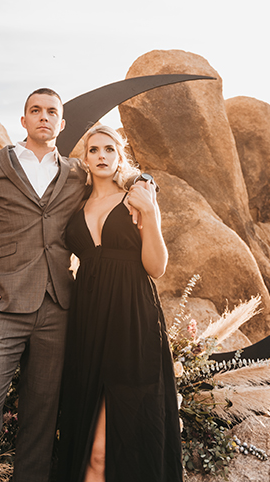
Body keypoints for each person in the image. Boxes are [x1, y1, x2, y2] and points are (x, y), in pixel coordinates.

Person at [0, 88, 87, 482]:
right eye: (35, 110)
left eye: (51, 111)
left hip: (57, 308)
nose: (44, 117)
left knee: (40, 425)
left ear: (62, 122)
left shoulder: (78, 174)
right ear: (23, 120)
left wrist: (141, 181)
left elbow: (114, 184)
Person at [57, 124, 184, 482]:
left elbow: (156, 267)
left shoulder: (136, 198)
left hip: (132, 316)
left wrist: (151, 214)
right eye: (94, 150)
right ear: (85, 158)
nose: (101, 156)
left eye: (109, 149)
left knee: (114, 438)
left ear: (119, 156)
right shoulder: (75, 204)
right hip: (87, 318)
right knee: (87, 448)